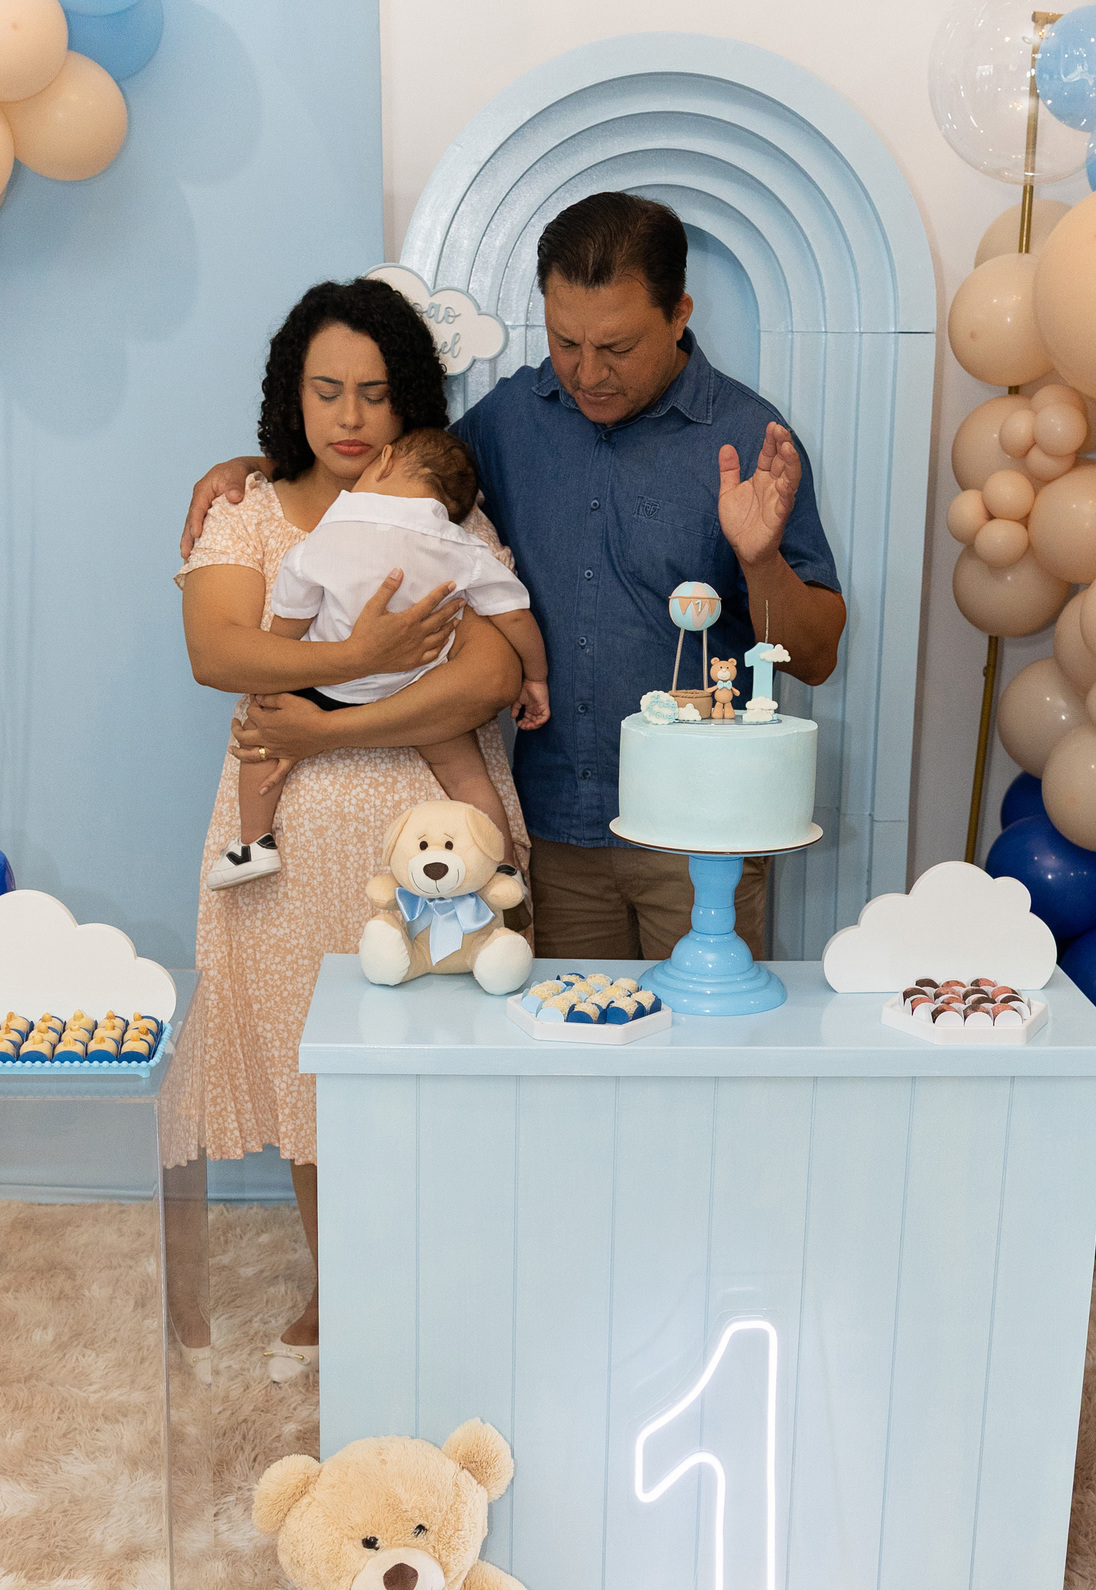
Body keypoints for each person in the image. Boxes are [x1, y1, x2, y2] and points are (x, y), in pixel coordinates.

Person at [183, 192, 845, 960]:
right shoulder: (508, 420)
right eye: (565, 342)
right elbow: (396, 474)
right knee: (555, 1036)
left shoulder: (748, 438)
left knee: (704, 1037)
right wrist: (267, 465)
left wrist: (760, 561)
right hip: (556, 836)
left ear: (678, 314)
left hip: (701, 837)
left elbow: (815, 657)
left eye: (618, 347)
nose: (588, 373)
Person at [180, 278, 528, 1380]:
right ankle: (340, 1282)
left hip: (427, 835)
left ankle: (446, 1277)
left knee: (439, 1058)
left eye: (375, 394)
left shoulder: (443, 516)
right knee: (311, 1064)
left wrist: (327, 715)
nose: (349, 416)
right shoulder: (243, 512)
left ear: (407, 401)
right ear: (291, 395)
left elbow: (490, 673)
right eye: (326, 390)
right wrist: (360, 657)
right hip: (286, 845)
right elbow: (218, 652)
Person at [206, 426, 548, 889]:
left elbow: (294, 605)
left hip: (325, 687)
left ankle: (253, 843)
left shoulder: (334, 527)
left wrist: (276, 676)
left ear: (384, 462)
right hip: (421, 693)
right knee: (467, 776)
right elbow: (514, 615)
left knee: (261, 740)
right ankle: (504, 867)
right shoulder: (462, 545)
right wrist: (536, 676)